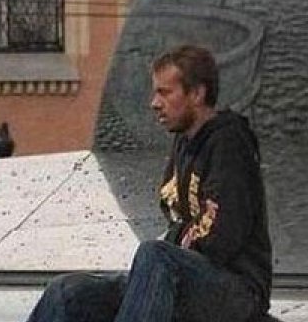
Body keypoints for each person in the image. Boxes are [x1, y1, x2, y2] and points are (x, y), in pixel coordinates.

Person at [25, 45, 273, 322]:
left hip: (237, 289)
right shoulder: (184, 142)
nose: (154, 103)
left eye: (165, 93)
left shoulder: (229, 142)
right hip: (184, 272)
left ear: (197, 94)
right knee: (69, 292)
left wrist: (175, 241)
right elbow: (175, 215)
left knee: (156, 256)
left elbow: (221, 238)